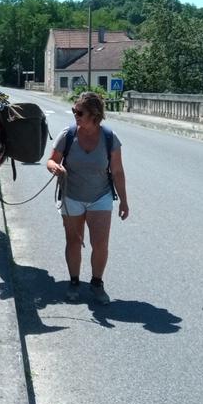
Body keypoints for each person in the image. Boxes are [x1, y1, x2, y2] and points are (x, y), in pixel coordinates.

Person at [45, 91, 129, 303]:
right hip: (71, 195)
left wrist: (124, 201)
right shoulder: (68, 134)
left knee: (100, 243)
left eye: (79, 112)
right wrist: (56, 167)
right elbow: (51, 160)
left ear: (94, 114)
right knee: (74, 241)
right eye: (74, 110)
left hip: (100, 196)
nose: (75, 114)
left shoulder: (110, 138)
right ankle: (74, 282)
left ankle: (97, 283)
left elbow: (117, 172)